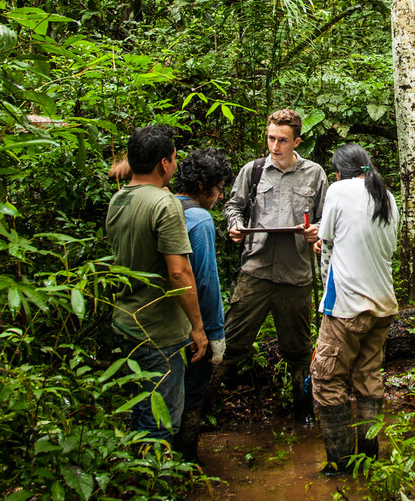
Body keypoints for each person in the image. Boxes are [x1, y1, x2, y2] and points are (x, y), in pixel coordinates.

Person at [217, 109, 327, 419]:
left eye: (282, 140)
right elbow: (234, 207)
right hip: (256, 271)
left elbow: (326, 218)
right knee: (231, 344)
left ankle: (304, 413)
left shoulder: (315, 174)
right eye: (271, 138)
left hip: (295, 275)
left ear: (297, 142)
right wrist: (235, 225)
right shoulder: (252, 171)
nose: (275, 146)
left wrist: (316, 230)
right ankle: (203, 411)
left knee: (299, 352)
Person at [106, 125, 207, 446]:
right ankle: (154, 489)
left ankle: (139, 480)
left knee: (140, 412)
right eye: (174, 159)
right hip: (158, 331)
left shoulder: (119, 200)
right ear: (164, 164)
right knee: (160, 422)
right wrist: (198, 327)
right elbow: (179, 273)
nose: (176, 164)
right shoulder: (164, 205)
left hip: (126, 322)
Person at [310, 144, 398, 474]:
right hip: (383, 304)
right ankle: (369, 458)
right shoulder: (387, 196)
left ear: (338, 172)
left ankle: (340, 463)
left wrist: (319, 240)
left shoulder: (338, 190)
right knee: (368, 376)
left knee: (326, 378)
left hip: (347, 306)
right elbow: (384, 246)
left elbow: (326, 236)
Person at [172, 148, 235, 461]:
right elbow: (205, 281)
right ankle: (186, 464)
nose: (221, 196)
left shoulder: (164, 205)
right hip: (191, 329)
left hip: (160, 322)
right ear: (202, 185)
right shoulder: (199, 219)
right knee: (192, 396)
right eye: (219, 187)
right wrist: (213, 332)